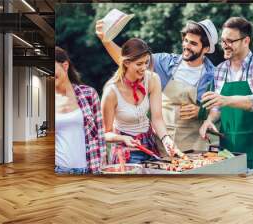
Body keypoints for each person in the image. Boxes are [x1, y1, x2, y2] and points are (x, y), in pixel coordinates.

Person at [96, 18, 218, 153]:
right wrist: (106, 41)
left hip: (194, 145)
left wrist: (200, 111)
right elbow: (131, 61)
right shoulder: (165, 62)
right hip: (163, 142)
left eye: (193, 43)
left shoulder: (214, 75)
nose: (186, 46)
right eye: (186, 40)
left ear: (206, 48)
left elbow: (219, 110)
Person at [199, 17, 253, 173]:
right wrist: (209, 120)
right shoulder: (219, 70)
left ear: (246, 41)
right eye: (223, 41)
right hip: (229, 146)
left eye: (230, 41)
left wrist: (226, 100)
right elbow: (217, 107)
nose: (225, 46)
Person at [101, 38, 183, 164]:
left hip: (149, 144)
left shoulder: (152, 79)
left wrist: (166, 139)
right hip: (125, 150)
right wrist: (123, 138)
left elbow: (157, 118)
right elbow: (105, 133)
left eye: (146, 62)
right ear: (126, 62)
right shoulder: (111, 91)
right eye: (139, 64)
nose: (144, 68)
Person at [55, 46, 107, 174]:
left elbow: (100, 133)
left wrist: (103, 162)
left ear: (65, 66)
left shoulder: (89, 94)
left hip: (88, 167)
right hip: (58, 169)